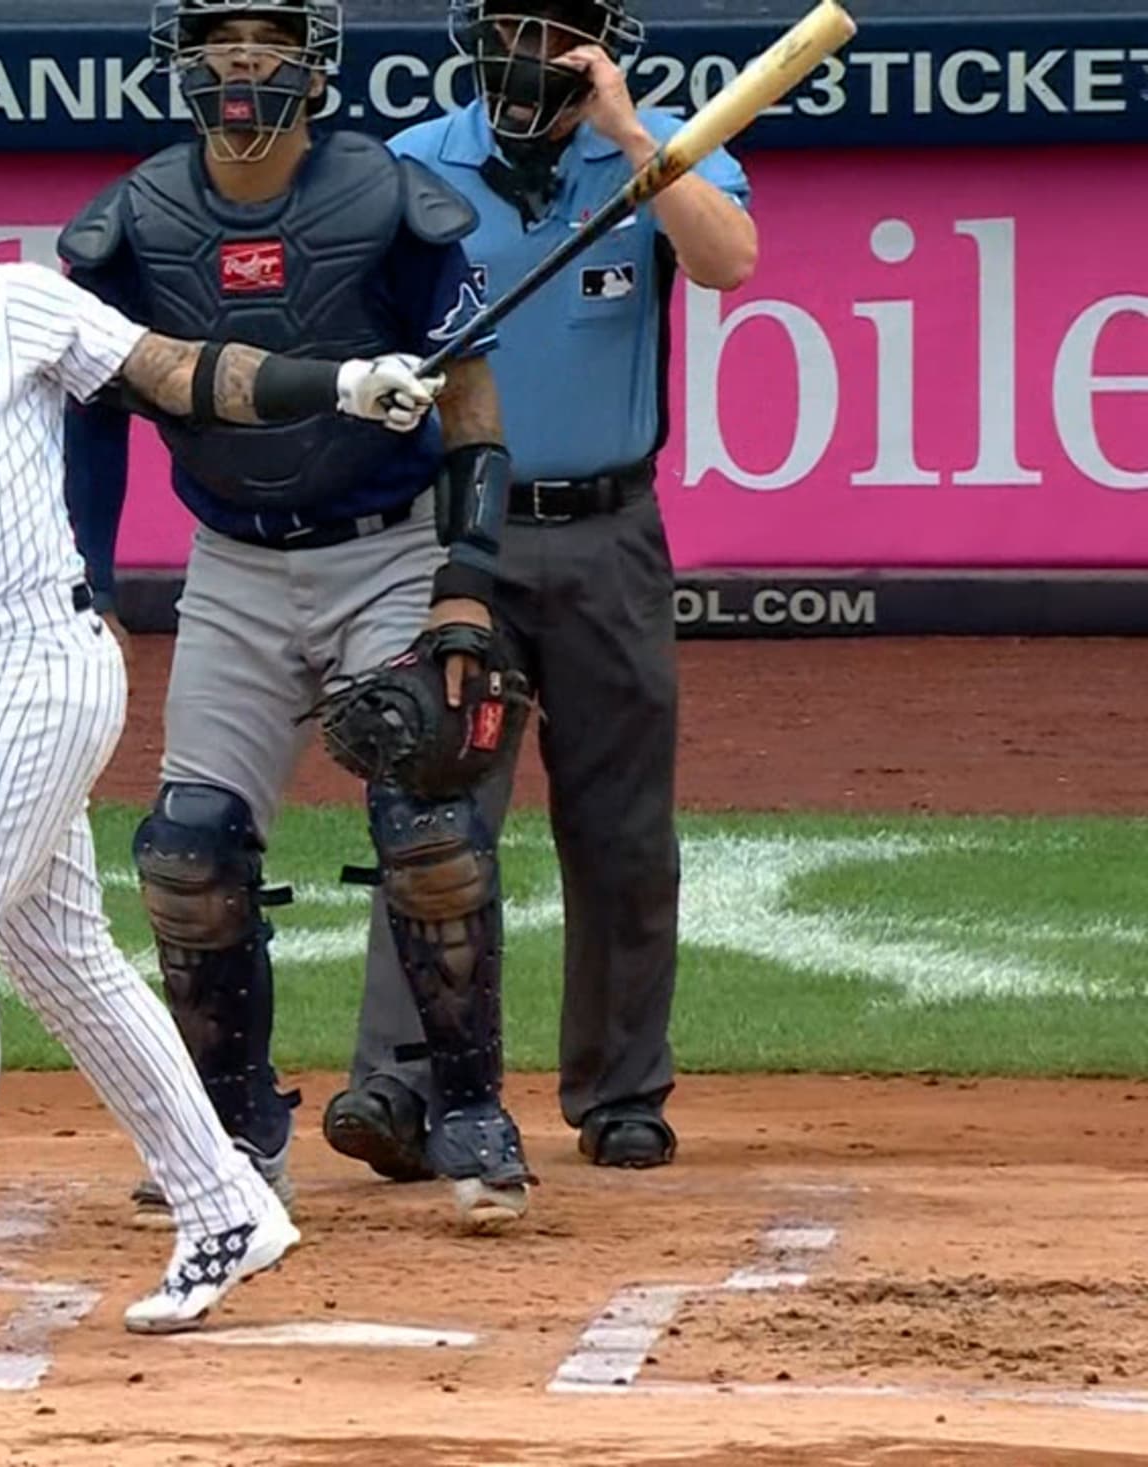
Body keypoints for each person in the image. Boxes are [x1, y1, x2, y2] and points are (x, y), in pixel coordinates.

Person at [0, 93, 445, 1333]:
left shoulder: (0, 298)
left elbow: (176, 372)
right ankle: (225, 1203)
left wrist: (341, 381)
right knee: (60, 959)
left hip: (36, 656)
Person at [65, 0, 539, 1234]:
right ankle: (231, 1128)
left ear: (312, 63)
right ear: (179, 62)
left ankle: (472, 1111)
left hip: (388, 549)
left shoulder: (389, 203)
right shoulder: (132, 224)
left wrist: (463, 584)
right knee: (186, 854)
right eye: (217, 41)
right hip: (230, 563)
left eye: (266, 41)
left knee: (425, 829)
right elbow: (91, 412)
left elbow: (473, 404)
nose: (240, 65)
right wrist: (92, 584)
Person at [376, 0, 756, 1171]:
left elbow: (727, 260)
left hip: (608, 532)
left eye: (555, 33)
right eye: (506, 26)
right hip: (454, 539)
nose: (527, 54)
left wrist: (637, 143)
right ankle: (401, 1089)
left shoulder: (668, 146)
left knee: (622, 830)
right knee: (434, 816)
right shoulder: (409, 165)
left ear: (599, 47)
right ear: (471, 38)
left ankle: (621, 1090)